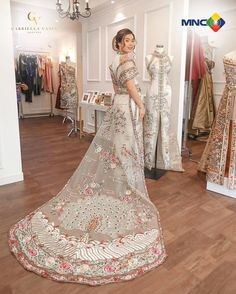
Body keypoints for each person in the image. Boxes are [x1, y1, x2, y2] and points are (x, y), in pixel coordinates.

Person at [9, 28, 167, 286]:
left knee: (119, 148)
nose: (131, 44)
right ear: (118, 43)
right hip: (126, 105)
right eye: (127, 40)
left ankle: (121, 184)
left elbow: (121, 86)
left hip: (117, 104)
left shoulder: (113, 61)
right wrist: (141, 105)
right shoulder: (126, 61)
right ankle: (127, 186)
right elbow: (130, 87)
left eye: (133, 40)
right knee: (127, 149)